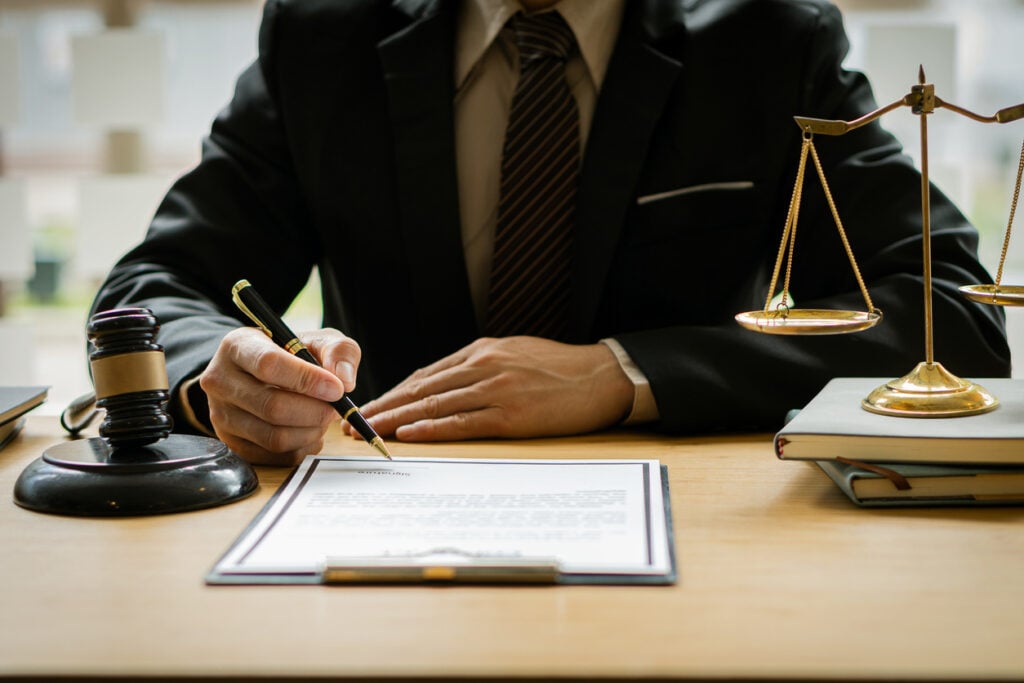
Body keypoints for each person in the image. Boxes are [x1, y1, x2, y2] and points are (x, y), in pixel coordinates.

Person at [91, 0, 1011, 465]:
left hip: (701, 548)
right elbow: (154, 288)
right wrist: (223, 377)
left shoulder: (767, 38)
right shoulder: (322, 33)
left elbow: (952, 317)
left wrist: (627, 370)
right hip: (374, 526)